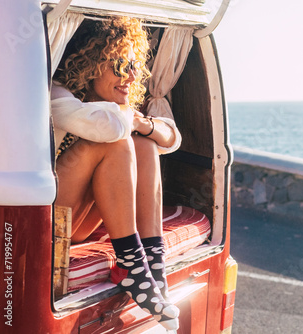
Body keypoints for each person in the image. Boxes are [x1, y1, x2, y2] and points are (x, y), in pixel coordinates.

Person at [51, 17, 181, 330]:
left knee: (145, 146)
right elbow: (110, 128)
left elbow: (173, 139)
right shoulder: (58, 95)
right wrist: (133, 120)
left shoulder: (117, 108)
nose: (132, 75)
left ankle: (153, 264)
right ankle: (132, 265)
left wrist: (145, 125)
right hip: (52, 219)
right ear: (91, 65)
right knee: (120, 141)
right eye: (120, 65)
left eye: (135, 65)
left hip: (80, 220)